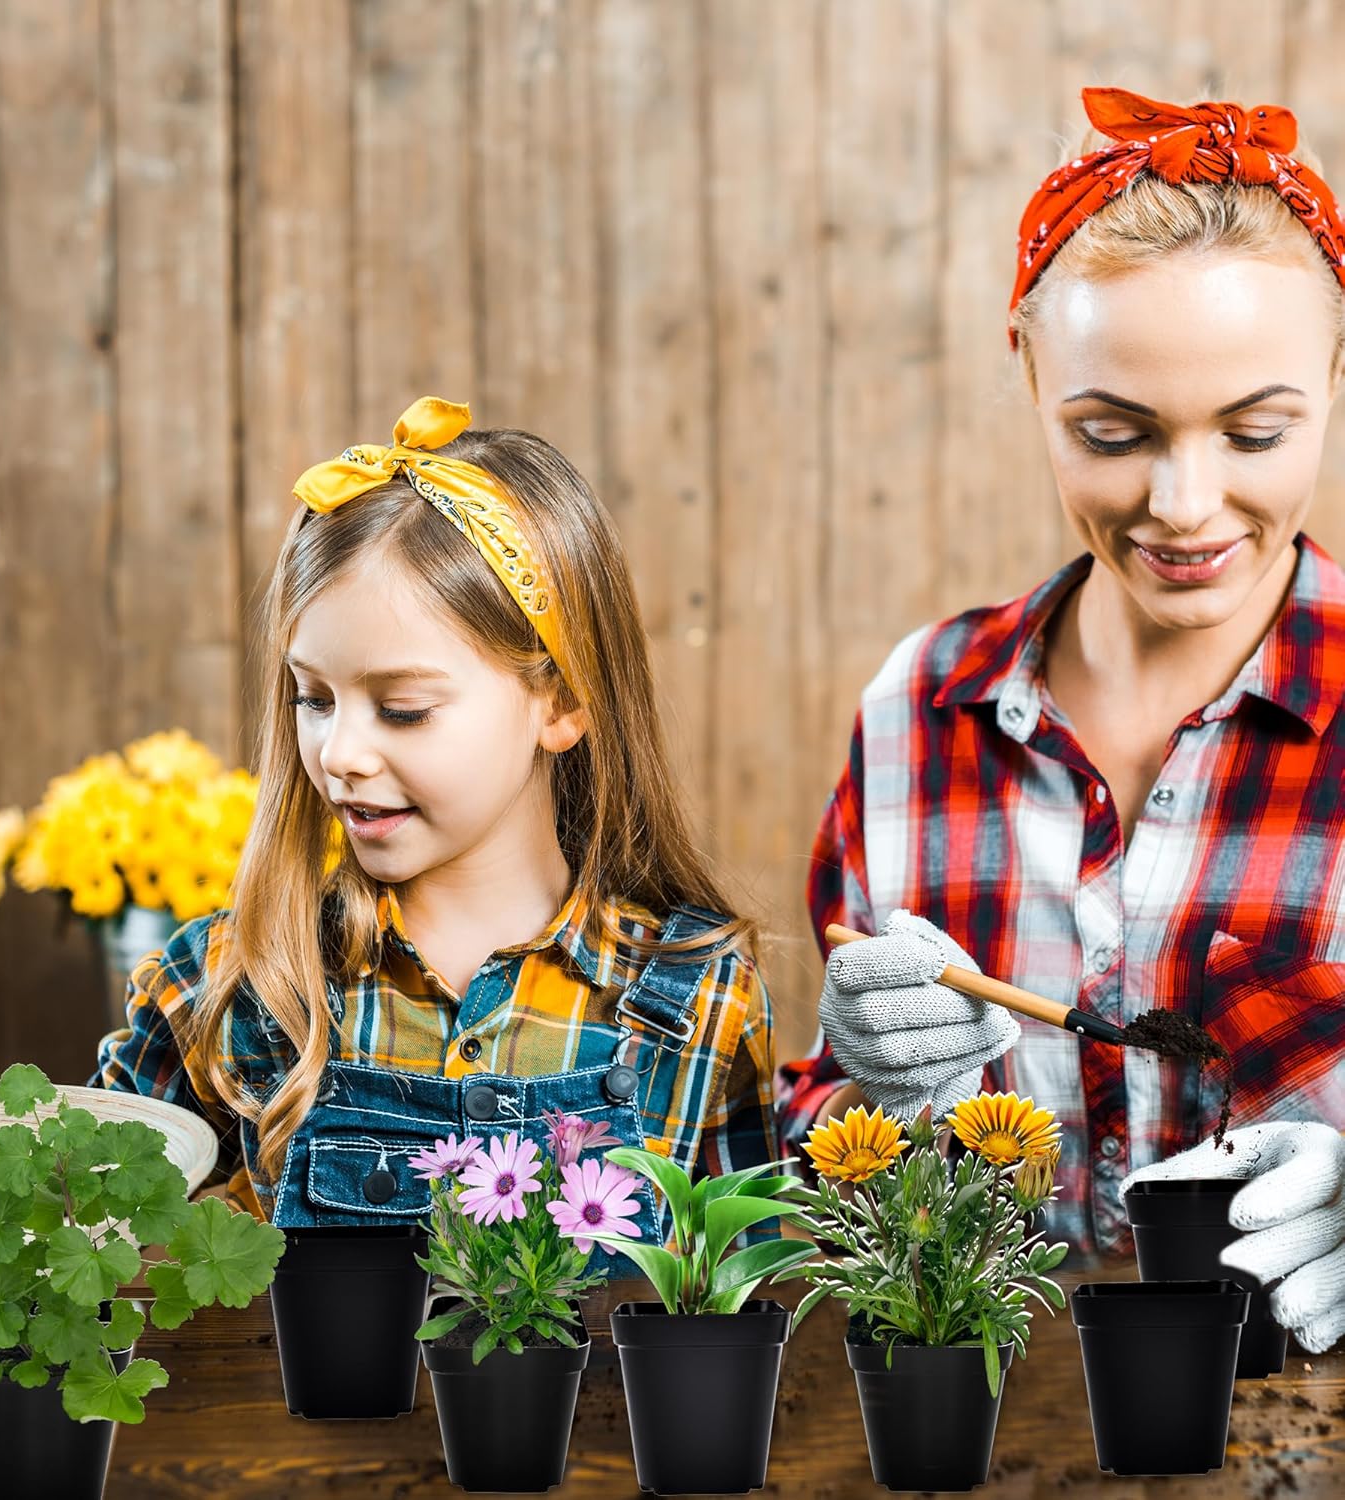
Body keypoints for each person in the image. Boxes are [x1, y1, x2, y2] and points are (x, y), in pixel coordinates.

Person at [777, 89, 1345, 1353]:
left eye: (1257, 431)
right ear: (1028, 371)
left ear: (1335, 377)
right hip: (983, 1426)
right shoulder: (914, 713)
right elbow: (810, 1160)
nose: (1185, 504)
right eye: (1112, 432)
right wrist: (860, 1094)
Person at [91, 397, 776, 1249]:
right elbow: (72, 1254)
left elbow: (751, 1333)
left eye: (403, 709)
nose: (339, 752)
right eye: (314, 699)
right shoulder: (222, 984)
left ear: (561, 701)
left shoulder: (700, 994)